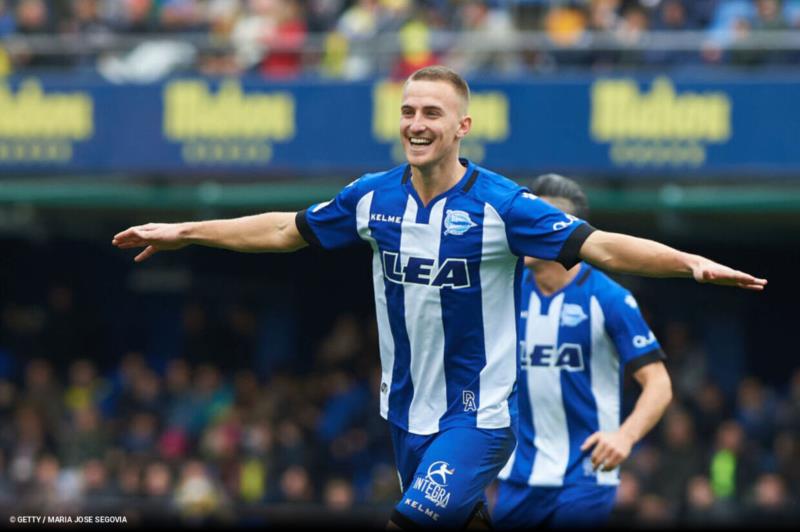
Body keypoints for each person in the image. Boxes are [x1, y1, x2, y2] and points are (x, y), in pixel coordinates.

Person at [113, 66, 766, 529]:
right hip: (404, 410)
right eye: (408, 111)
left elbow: (601, 247)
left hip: (477, 415)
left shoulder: (503, 205)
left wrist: (688, 263)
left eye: (431, 113)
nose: (416, 123)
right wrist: (186, 232)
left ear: (462, 127)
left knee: (412, 522)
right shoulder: (373, 196)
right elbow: (287, 229)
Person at [492, 173, 673, 529]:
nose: (528, 231)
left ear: (566, 232)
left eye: (541, 224)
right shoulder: (504, 292)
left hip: (585, 476)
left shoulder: (609, 299)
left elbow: (659, 383)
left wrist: (625, 436)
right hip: (518, 475)